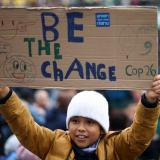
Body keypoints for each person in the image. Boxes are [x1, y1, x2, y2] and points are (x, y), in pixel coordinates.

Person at [0, 75, 160, 160]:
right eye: (75, 121)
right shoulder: (52, 143)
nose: (81, 128)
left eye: (90, 122)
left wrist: (149, 101)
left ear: (102, 127)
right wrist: (4, 94)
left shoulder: (116, 147)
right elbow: (24, 127)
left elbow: (140, 135)